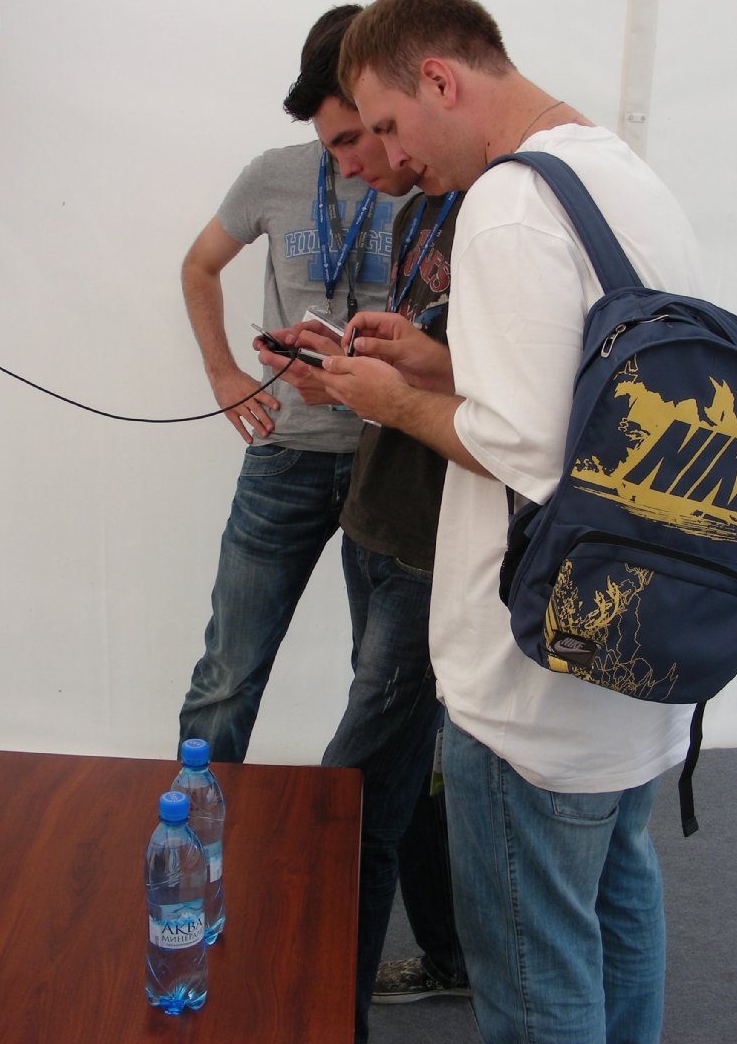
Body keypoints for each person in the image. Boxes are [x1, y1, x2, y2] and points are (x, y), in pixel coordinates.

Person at [312, 0, 704, 1044]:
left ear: (440, 80)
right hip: (640, 643)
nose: (392, 157)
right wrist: (440, 362)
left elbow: (527, 452)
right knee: (618, 906)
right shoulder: (620, 174)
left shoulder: (507, 204)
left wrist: (390, 401)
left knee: (535, 972)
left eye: (389, 124)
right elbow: (594, 395)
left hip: (532, 679)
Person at [256, 186, 470, 1041]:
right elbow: (415, 367)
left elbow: (517, 401)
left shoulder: (509, 215)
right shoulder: (417, 213)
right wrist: (343, 369)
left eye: (368, 134)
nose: (360, 164)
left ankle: (323, 1020)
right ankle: (449, 955)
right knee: (397, 771)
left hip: (431, 549)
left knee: (349, 798)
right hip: (374, 524)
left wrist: (391, 385)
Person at [177, 5, 418, 762]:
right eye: (335, 138)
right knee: (228, 672)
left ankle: (366, 831)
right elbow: (199, 265)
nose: (351, 157)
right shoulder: (273, 175)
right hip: (288, 451)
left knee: (381, 686)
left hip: (391, 458)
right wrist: (223, 373)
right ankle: (195, 821)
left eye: (357, 132)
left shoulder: (424, 175)